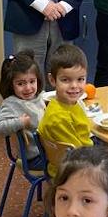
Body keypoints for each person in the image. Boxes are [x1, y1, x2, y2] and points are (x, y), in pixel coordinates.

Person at [38, 44, 93, 176]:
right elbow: (77, 157)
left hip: (77, 162)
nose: (74, 86)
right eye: (66, 80)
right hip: (71, 173)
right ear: (52, 80)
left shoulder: (70, 104)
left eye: (80, 79)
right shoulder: (59, 118)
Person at [0, 50, 47, 170]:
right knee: (77, 161)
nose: (28, 88)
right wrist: (20, 122)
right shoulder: (12, 103)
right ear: (11, 84)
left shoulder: (40, 96)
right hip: (36, 157)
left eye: (32, 81)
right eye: (21, 84)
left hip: (48, 149)